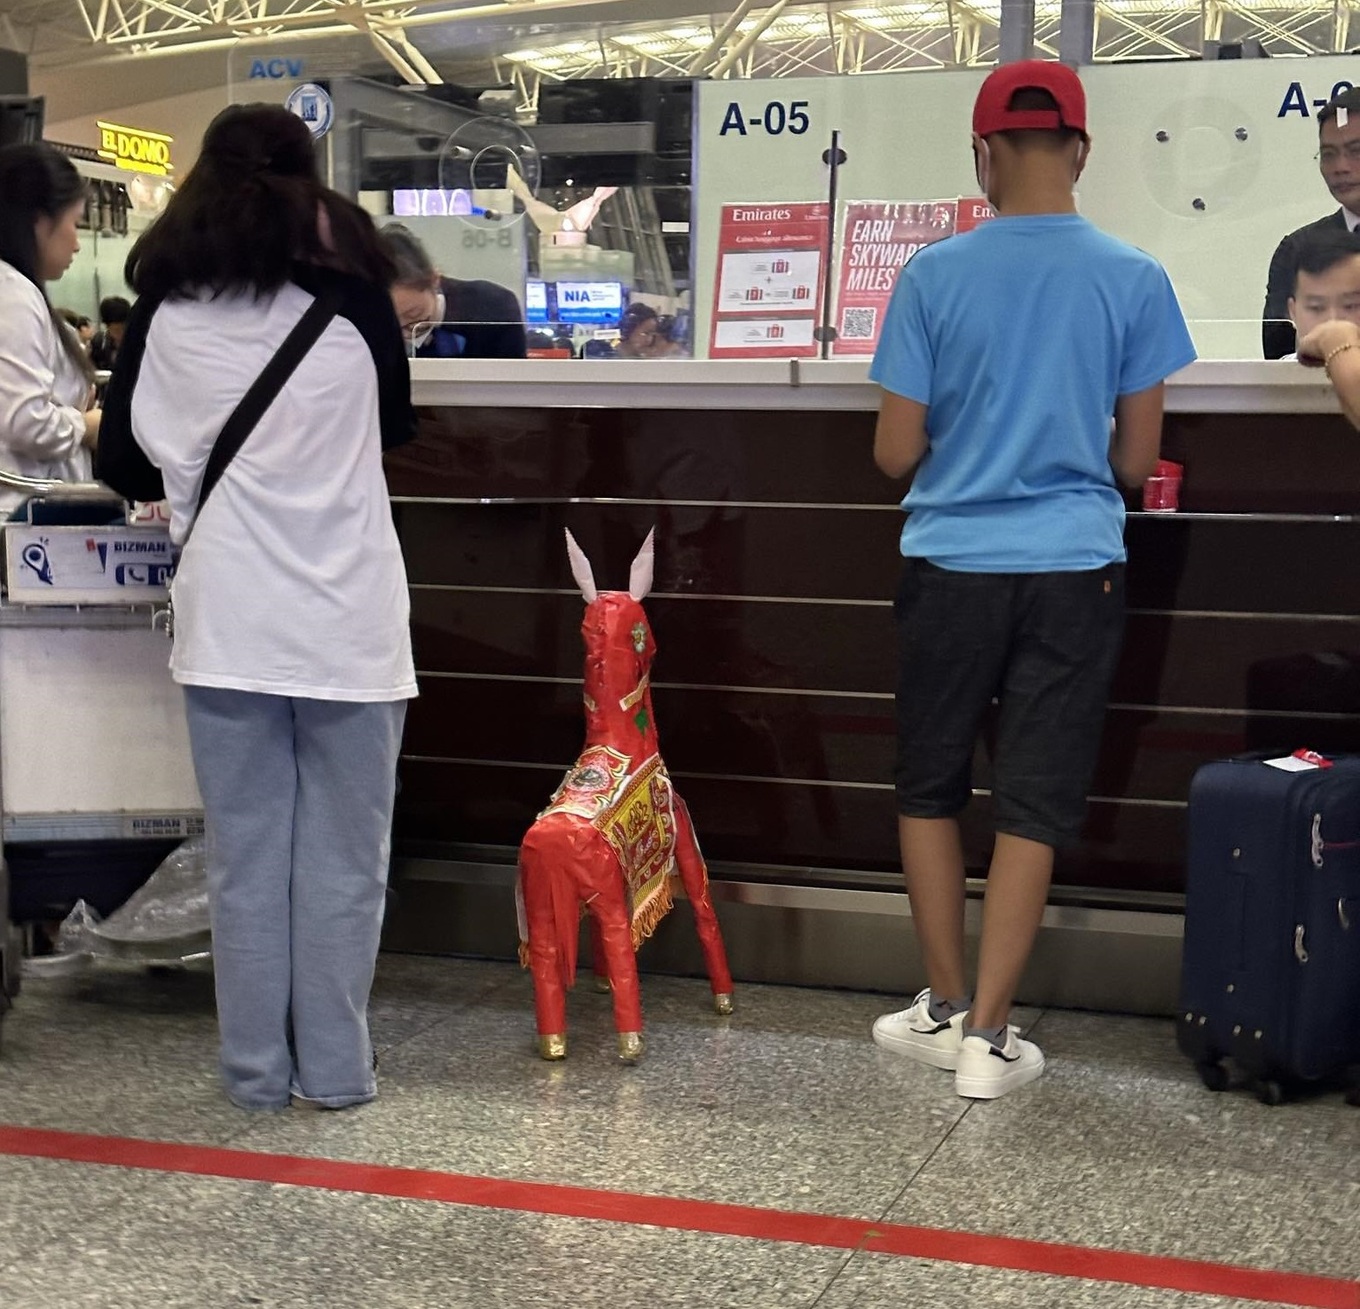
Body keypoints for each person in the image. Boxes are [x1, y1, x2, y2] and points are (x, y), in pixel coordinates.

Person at [867, 61, 1196, 1100]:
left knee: (928, 785)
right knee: (1033, 798)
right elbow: (1135, 461)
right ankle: (990, 1040)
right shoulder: (1134, 276)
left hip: (949, 564)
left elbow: (893, 452)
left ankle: (940, 1004)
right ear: (1083, 151)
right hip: (1073, 567)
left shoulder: (931, 275)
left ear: (983, 155)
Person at [96, 103, 417, 1114]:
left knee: (245, 857)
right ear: (309, 182)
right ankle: (338, 1071)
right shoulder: (356, 301)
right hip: (350, 616)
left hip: (229, 614)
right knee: (344, 860)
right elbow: (394, 426)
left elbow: (122, 461)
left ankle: (252, 1074)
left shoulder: (165, 308)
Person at [0, 143, 100, 516]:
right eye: (74, 223)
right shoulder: (14, 296)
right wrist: (85, 426)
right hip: (23, 515)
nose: (77, 244)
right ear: (40, 222)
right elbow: (26, 422)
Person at [1262, 88, 1360, 360]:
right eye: (1328, 154)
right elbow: (1277, 360)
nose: (1340, 167)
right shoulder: (1297, 249)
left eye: (1356, 151)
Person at [378, 222, 526, 359]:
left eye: (413, 313)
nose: (403, 328)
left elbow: (515, 376)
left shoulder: (494, 307)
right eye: (388, 319)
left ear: (434, 280)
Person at [1274, 230, 1360, 360]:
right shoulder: (1272, 372)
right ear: (1293, 312)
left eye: (1351, 305)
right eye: (1316, 308)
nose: (1332, 321)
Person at [89, 294, 131, 370]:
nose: (122, 334)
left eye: (125, 329)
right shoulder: (99, 343)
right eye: (117, 330)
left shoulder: (138, 343)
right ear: (107, 326)